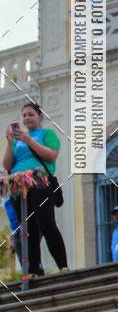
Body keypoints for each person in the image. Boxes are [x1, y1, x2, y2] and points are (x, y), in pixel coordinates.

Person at [3, 102, 67, 274]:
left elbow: (51, 155)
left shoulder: (47, 133)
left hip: (39, 182)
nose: (26, 118)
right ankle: (33, 270)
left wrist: (29, 140)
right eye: (24, 115)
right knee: (27, 229)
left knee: (46, 224)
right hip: (18, 184)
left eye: (30, 114)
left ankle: (62, 265)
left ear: (40, 116)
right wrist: (10, 143)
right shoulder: (17, 141)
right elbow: (8, 164)